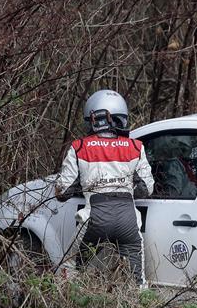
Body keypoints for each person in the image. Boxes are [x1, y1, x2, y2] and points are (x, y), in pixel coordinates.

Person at [55, 90, 154, 285]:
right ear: (120, 117)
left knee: (70, 269)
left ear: (93, 118)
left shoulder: (79, 147)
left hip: (94, 219)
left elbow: (62, 191)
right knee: (137, 282)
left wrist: (83, 185)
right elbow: (147, 188)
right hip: (128, 220)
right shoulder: (136, 147)